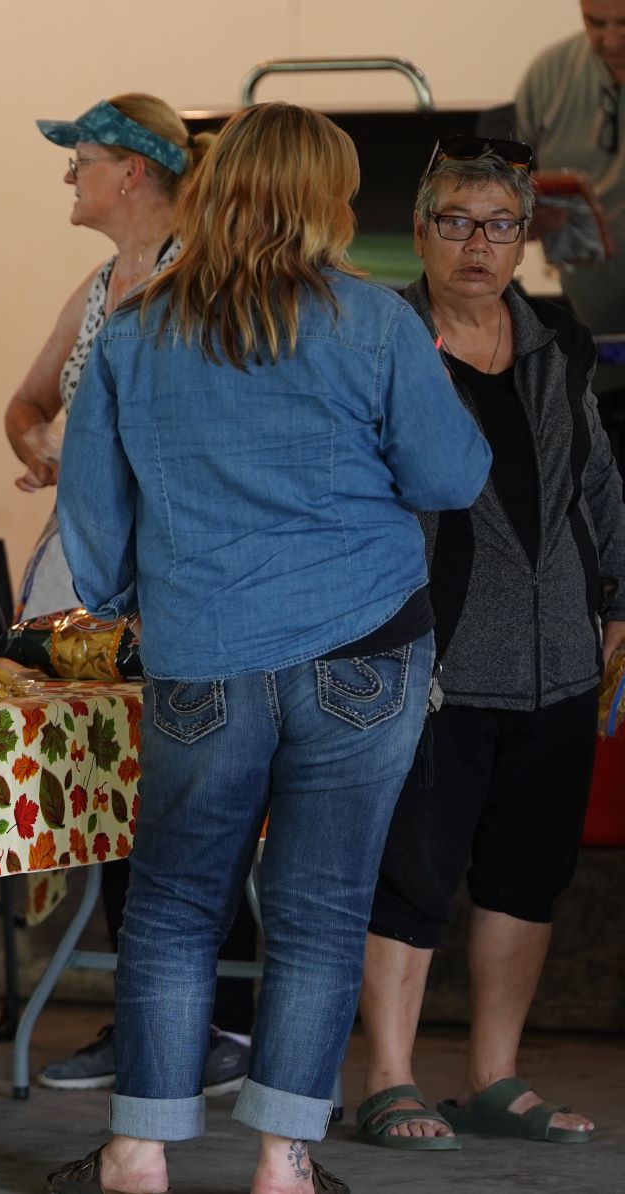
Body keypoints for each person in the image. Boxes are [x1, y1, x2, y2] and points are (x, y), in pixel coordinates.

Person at [49, 102, 492, 1194]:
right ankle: (282, 1163)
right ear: (324, 200)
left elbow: (92, 531)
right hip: (362, 651)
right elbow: (449, 478)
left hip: (201, 656)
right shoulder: (373, 321)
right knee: (319, 905)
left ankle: (137, 1152)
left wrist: (138, 590)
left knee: (171, 901)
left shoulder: (137, 330)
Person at [355, 138, 625, 1151]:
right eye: (453, 221)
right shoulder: (380, 337)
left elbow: (595, 482)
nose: (475, 243)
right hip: (428, 655)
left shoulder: (554, 337)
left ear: (523, 239)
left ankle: (493, 1078)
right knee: (410, 871)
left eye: (497, 224)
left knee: (525, 871)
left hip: (555, 654)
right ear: (419, 232)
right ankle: (387, 1077)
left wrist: (618, 597)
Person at [8, 93, 253, 1097]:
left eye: (83, 160)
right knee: (116, 789)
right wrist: (36, 443)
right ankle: (144, 1019)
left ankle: (225, 1021)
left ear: (135, 173)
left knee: (194, 790)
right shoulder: (99, 283)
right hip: (89, 572)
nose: (70, 177)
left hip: (175, 574)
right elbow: (28, 398)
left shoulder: (201, 281)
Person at [516, 0, 625, 336]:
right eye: (595, 23)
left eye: (624, 23)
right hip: (592, 325)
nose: (611, 42)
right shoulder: (550, 76)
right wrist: (520, 221)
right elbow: (505, 190)